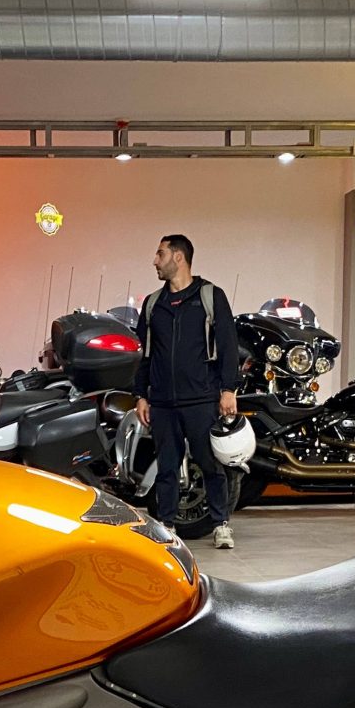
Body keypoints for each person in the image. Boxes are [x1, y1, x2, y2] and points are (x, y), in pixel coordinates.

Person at [134, 234, 240, 548]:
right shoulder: (153, 304)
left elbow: (228, 346)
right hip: (163, 402)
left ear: (178, 257)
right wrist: (141, 395)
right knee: (166, 467)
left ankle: (221, 524)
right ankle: (167, 526)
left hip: (201, 399)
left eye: (160, 254)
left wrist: (228, 389)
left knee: (210, 465)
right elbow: (144, 354)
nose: (155, 261)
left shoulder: (210, 296)